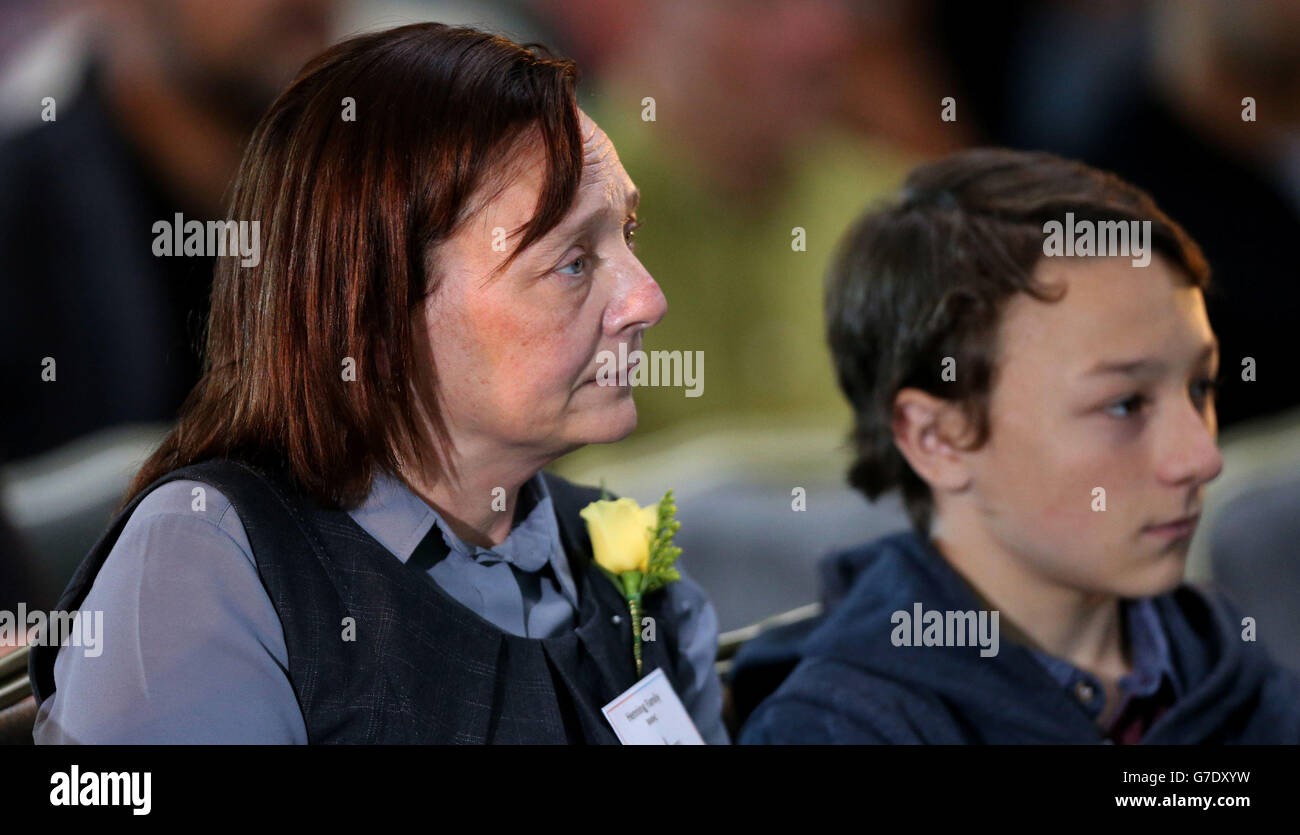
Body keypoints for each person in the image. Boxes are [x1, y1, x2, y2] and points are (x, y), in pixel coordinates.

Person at [29, 22, 727, 744]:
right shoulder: (205, 563)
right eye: (573, 261)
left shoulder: (627, 562)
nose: (647, 298)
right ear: (376, 309)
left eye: (628, 235)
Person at [739, 148, 1300, 744]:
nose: (1202, 458)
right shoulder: (845, 728)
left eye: (1201, 387)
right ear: (937, 439)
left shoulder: (1229, 668)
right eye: (1124, 404)